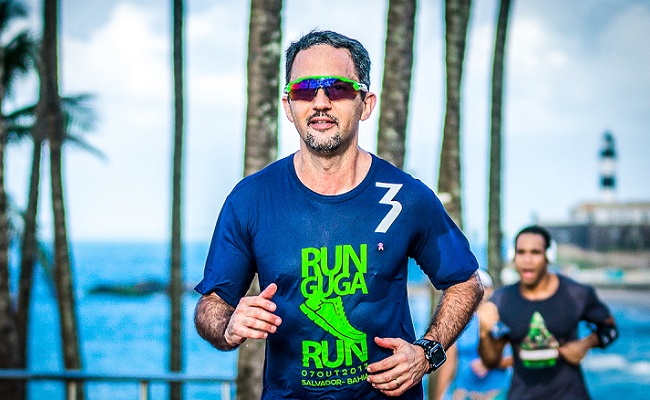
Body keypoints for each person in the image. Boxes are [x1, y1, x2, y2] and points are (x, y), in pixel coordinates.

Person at [194, 30, 483, 400]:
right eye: (304, 90)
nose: (320, 102)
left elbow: (465, 282)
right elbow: (211, 306)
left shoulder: (407, 197)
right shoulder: (251, 200)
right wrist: (229, 325)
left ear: (366, 103)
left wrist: (427, 353)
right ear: (287, 105)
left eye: (338, 88)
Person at [477, 225, 619, 400]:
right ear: (514, 257)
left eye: (535, 252)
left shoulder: (576, 294)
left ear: (548, 256)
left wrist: (586, 344)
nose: (527, 260)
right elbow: (490, 361)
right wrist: (484, 332)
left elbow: (610, 329)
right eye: (521, 252)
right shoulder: (502, 301)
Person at [435, 269, 512, 400]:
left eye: (483, 287)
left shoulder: (502, 318)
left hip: (497, 394)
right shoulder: (457, 322)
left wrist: (489, 363)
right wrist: (439, 397)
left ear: (491, 290)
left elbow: (516, 356)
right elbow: (449, 363)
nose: (478, 291)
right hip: (464, 394)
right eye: (473, 287)